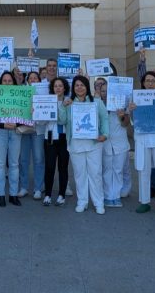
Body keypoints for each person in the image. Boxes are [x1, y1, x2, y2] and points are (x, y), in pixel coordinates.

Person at [58, 75, 108, 214]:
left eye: (82, 85)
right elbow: (62, 121)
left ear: (87, 87)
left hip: (94, 143)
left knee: (95, 174)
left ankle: (98, 203)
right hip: (76, 144)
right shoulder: (69, 103)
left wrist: (105, 134)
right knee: (80, 174)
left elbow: (104, 119)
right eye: (76, 85)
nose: (79, 88)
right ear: (73, 88)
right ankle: (82, 201)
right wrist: (63, 106)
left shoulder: (96, 102)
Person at [129, 71, 155, 216]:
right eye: (147, 81)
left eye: (153, 81)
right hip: (142, 139)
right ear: (143, 83)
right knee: (143, 170)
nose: (150, 83)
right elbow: (133, 122)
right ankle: (144, 202)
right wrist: (132, 111)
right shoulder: (136, 100)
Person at [95, 78, 131, 208]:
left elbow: (125, 123)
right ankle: (107, 196)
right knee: (106, 170)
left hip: (120, 142)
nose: (105, 93)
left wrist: (122, 115)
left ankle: (115, 196)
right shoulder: (97, 105)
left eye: (107, 91)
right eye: (103, 91)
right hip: (104, 142)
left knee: (118, 170)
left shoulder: (122, 105)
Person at [0, 71, 24, 207]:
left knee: (14, 164)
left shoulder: (20, 95)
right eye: (4, 81)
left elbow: (25, 114)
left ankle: (13, 194)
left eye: (9, 80)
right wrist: (3, 124)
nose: (7, 83)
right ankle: (0, 195)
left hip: (16, 132)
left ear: (13, 82)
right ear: (0, 82)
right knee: (0, 164)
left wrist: (16, 124)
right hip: (0, 131)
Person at [42, 76, 70, 207]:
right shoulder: (47, 101)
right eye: (55, 86)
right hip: (50, 138)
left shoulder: (69, 102)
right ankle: (47, 194)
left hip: (64, 138)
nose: (58, 88)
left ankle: (61, 195)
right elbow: (41, 121)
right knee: (49, 167)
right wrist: (36, 113)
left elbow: (68, 121)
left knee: (63, 168)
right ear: (52, 88)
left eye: (60, 86)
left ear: (64, 88)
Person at [19, 71, 46, 199]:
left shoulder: (44, 92)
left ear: (39, 80)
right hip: (25, 129)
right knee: (23, 159)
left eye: (36, 78)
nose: (33, 80)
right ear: (27, 80)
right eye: (31, 78)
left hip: (38, 130)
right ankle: (24, 187)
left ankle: (38, 188)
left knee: (38, 159)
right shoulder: (22, 91)